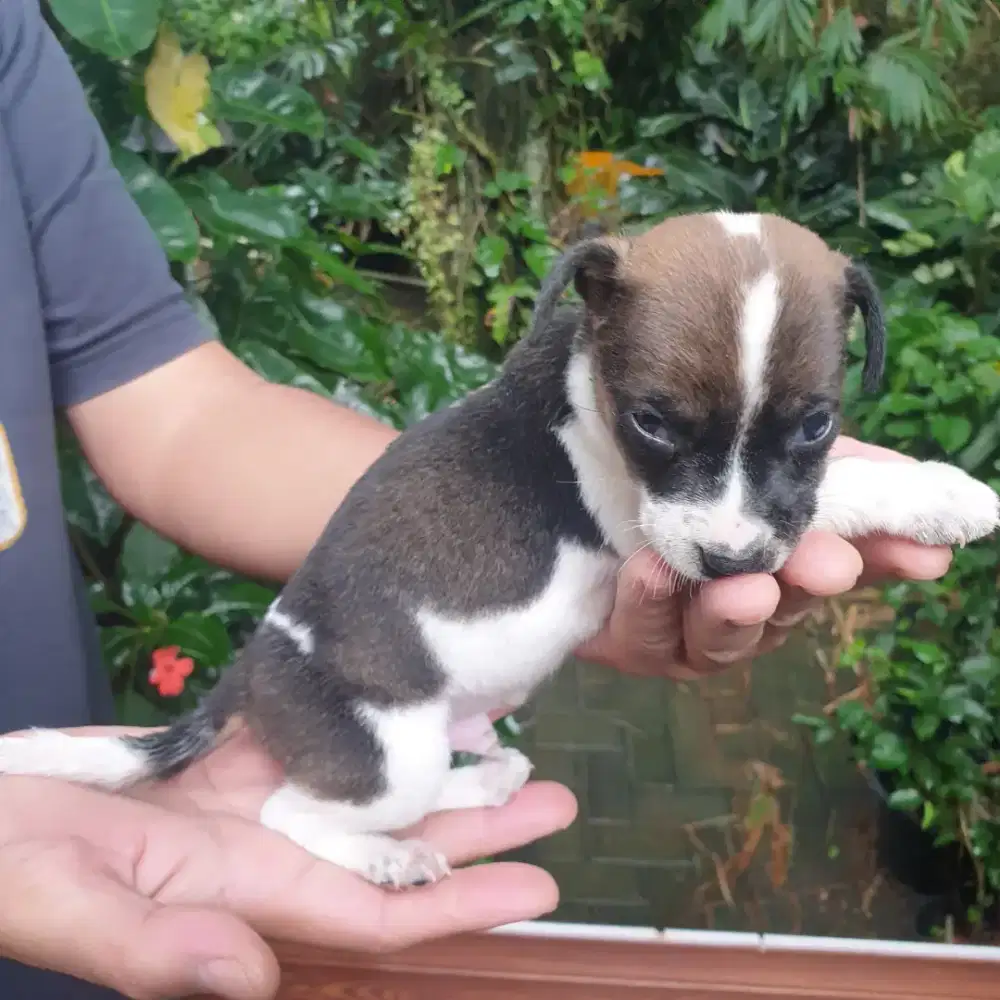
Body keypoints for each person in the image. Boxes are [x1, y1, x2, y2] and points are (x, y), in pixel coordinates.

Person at [0, 1, 954, 998]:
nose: (734, 526)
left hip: (274, 717)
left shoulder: (11, 47)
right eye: (665, 430)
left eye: (804, 431)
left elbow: (179, 417)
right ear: (585, 320)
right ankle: (314, 818)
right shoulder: (574, 394)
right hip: (352, 703)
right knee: (398, 783)